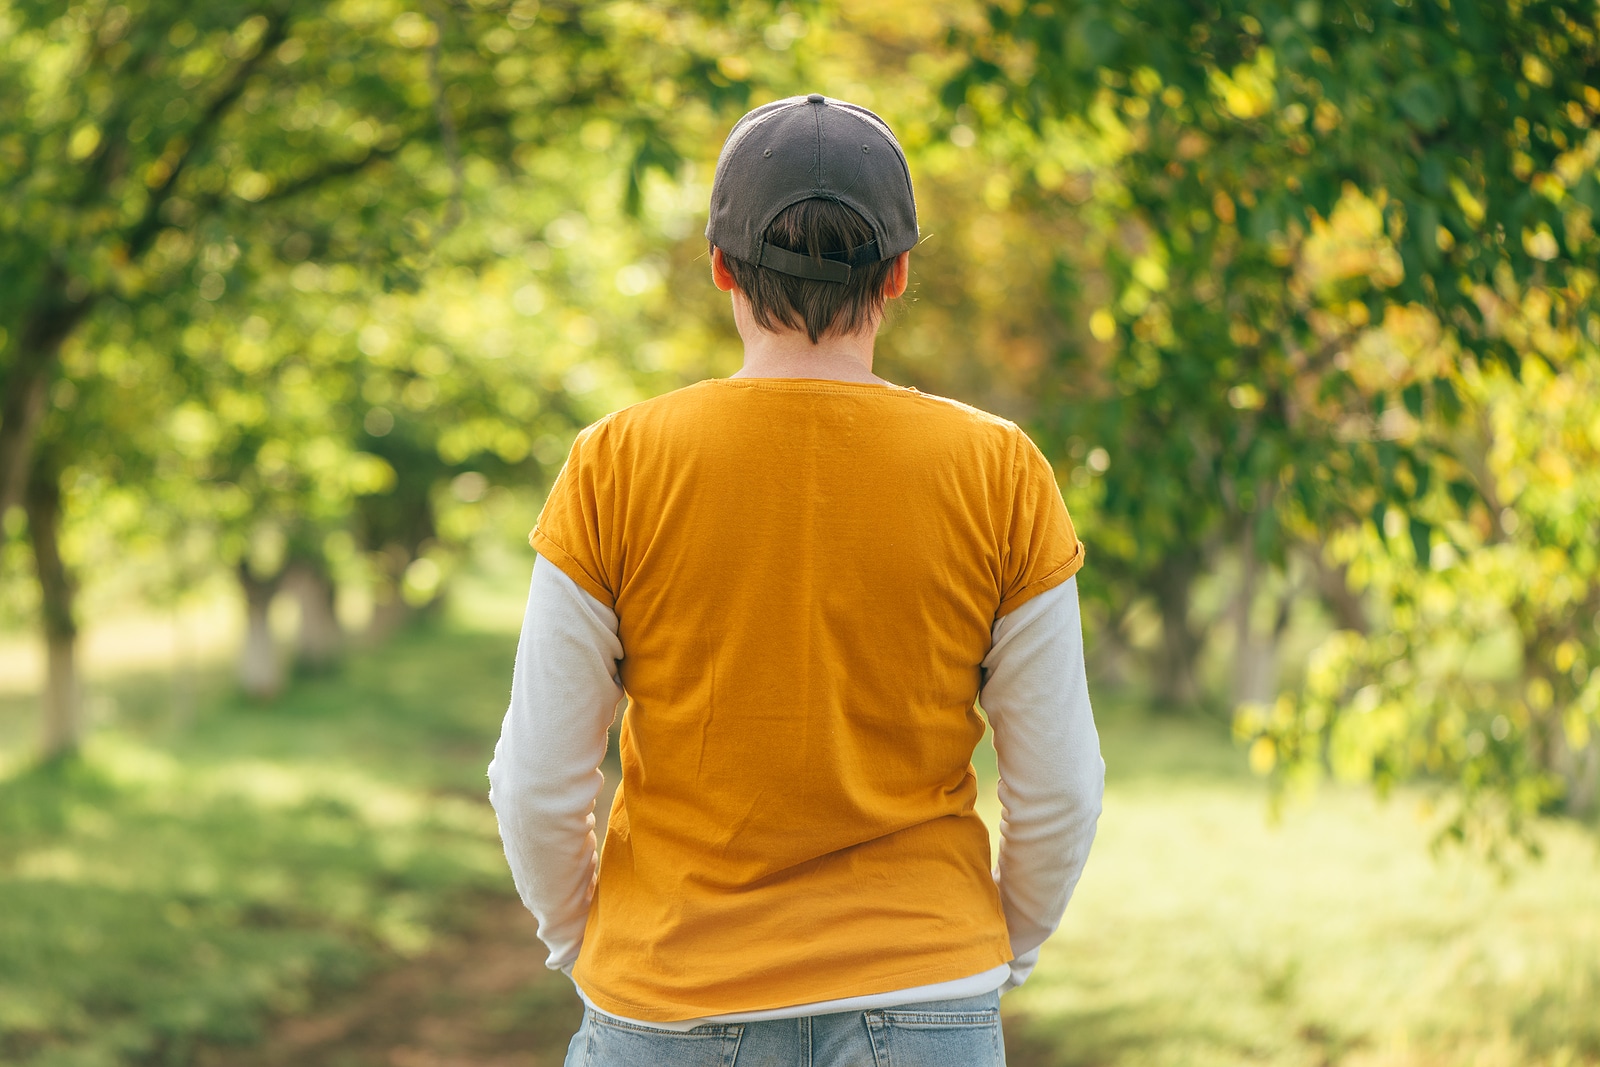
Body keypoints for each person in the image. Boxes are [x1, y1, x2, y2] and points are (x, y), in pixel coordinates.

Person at [488, 93, 1104, 1067]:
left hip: (667, 994)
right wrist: (992, 953)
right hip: (925, 985)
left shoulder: (617, 462)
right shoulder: (999, 469)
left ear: (721, 264)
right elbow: (1060, 784)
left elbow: (535, 781)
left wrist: (583, 942)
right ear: (898, 272)